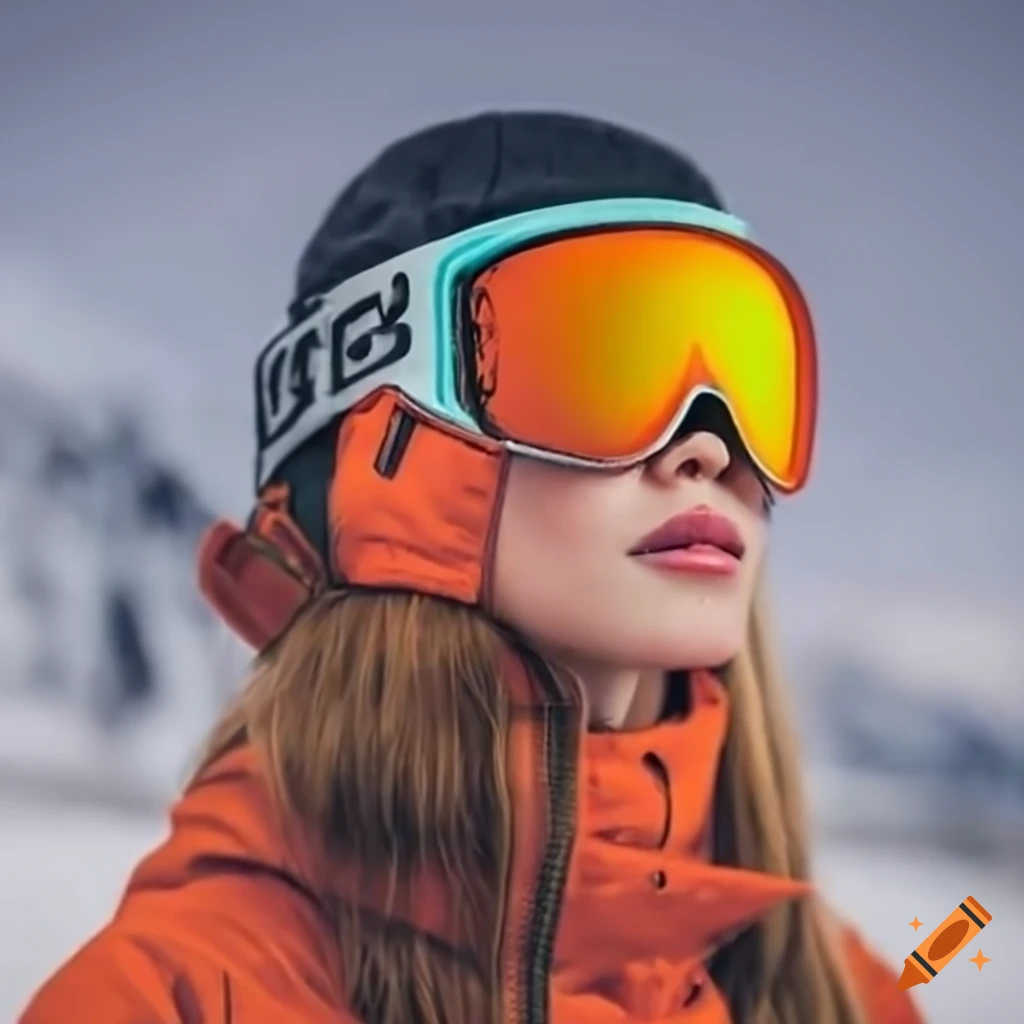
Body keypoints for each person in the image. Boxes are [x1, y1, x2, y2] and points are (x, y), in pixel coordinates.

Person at [21, 111, 925, 1024]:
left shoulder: (837, 991)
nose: (710, 447)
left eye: (752, 378)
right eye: (602, 363)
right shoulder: (168, 1000)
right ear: (387, 450)